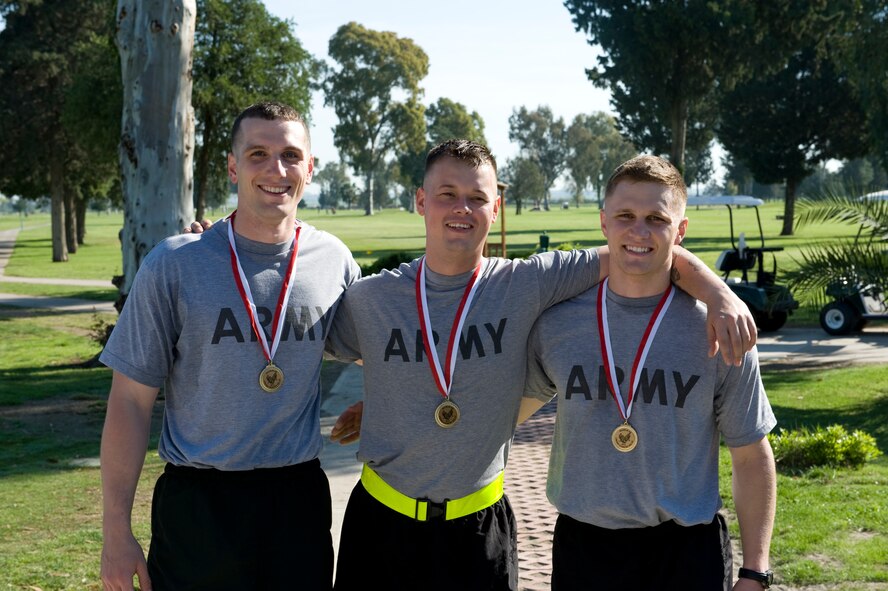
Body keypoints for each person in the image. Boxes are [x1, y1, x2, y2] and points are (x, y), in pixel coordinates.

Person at [324, 140, 758, 590]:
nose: (462, 208)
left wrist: (718, 293)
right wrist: (391, 396)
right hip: (381, 525)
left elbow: (641, 250)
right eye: (447, 194)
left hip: (479, 531)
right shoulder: (370, 298)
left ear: (496, 208)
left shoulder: (529, 282)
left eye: (477, 197)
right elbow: (304, 351)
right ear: (420, 200)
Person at [99, 101, 361, 591]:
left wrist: (378, 402)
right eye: (258, 153)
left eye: (290, 155)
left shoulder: (333, 260)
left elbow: (382, 351)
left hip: (297, 503)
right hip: (199, 506)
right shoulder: (175, 263)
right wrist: (116, 532)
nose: (276, 169)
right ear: (233, 166)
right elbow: (130, 401)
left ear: (310, 167)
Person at [522, 155, 777, 590]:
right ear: (604, 222)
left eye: (656, 219)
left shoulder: (719, 328)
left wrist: (755, 571)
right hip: (585, 549)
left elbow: (752, 456)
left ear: (681, 230)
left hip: (686, 551)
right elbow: (508, 414)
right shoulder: (558, 323)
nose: (639, 231)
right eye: (625, 216)